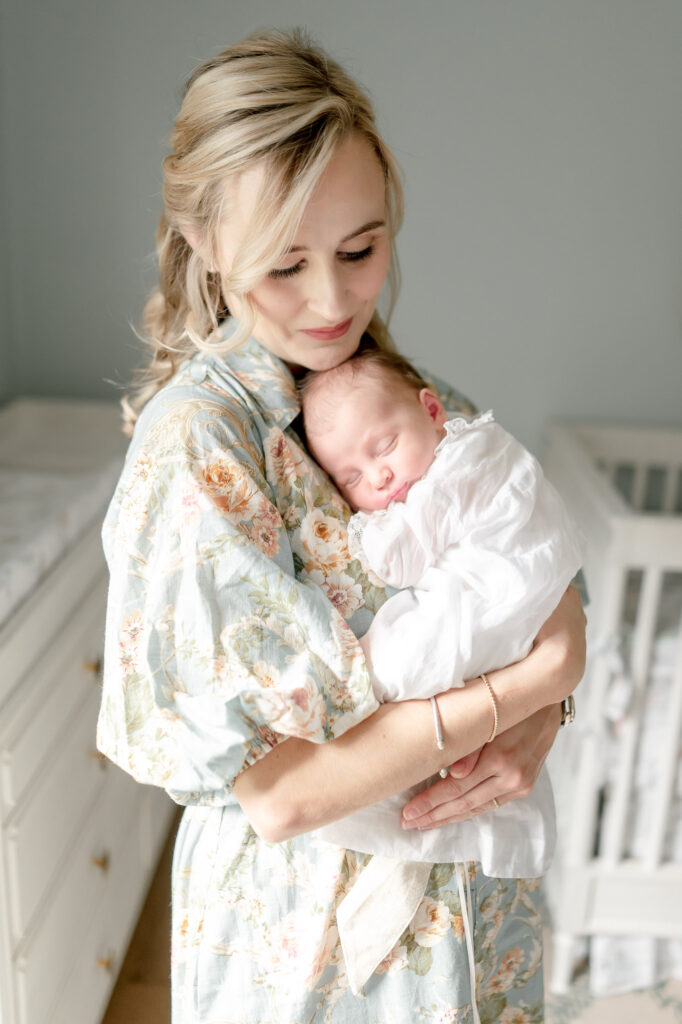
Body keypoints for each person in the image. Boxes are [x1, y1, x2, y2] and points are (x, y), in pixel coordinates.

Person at [96, 29, 586, 1024]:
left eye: (361, 250)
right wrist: (532, 683)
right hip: (314, 953)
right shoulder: (199, 446)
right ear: (205, 239)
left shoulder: (388, 391)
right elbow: (283, 794)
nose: (333, 301)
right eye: (286, 267)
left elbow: (539, 574)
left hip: (474, 921)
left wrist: (542, 714)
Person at [299, 345, 581, 889]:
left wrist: (365, 528)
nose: (379, 477)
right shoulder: (469, 447)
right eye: (350, 478)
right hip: (521, 606)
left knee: (402, 656)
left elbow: (396, 557)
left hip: (499, 593)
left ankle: (353, 690)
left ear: (433, 412)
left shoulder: (458, 466)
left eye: (384, 446)